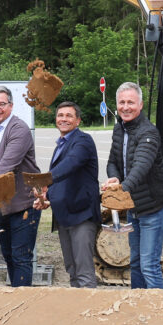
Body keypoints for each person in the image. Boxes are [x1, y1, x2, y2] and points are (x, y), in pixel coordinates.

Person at [104, 82, 163, 289]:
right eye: (122, 102)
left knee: (149, 265)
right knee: (135, 263)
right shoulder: (119, 128)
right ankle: (137, 308)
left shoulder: (148, 133)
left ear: (140, 105)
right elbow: (113, 162)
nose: (126, 107)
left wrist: (121, 190)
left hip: (153, 208)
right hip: (134, 208)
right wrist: (115, 178)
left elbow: (140, 168)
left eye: (131, 102)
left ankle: (157, 313)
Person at [0, 85, 41, 287]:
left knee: (21, 257)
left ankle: (22, 307)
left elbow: (6, 166)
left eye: (1, 104)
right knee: (8, 256)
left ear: (11, 106)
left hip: (23, 205)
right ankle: (15, 302)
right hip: (2, 205)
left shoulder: (19, 129)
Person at [42, 101, 101, 288]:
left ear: (78, 121)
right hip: (64, 216)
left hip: (81, 215)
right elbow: (63, 180)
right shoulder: (61, 144)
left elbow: (71, 164)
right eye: (60, 115)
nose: (63, 119)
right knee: (72, 270)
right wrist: (47, 197)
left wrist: (46, 179)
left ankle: (90, 314)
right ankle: (77, 313)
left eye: (69, 116)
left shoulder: (83, 141)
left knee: (83, 271)